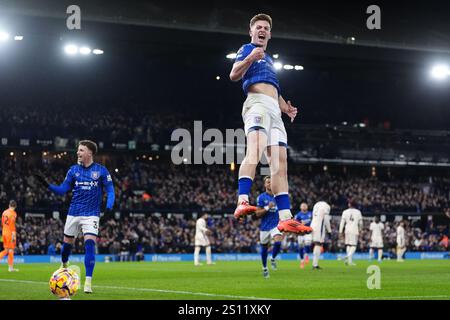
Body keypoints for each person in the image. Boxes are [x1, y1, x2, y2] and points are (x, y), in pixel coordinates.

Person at [230, 13, 311, 236]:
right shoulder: (247, 49)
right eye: (258, 27)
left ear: (270, 33)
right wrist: (250, 58)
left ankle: (285, 218)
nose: (262, 30)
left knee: (280, 164)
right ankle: (242, 200)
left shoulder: (270, 60)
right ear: (251, 31)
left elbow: (273, 89)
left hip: (274, 111)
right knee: (255, 149)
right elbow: (233, 75)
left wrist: (286, 107)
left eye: (265, 27)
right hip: (256, 104)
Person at [34, 140, 115, 294]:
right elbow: (62, 190)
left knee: (89, 244)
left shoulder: (101, 171)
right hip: (73, 213)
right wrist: (46, 184)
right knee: (66, 247)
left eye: (81, 150)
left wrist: (109, 208)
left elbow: (110, 191)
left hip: (91, 214)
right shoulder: (73, 171)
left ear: (90, 153)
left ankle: (88, 282)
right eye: (78, 150)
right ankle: (64, 265)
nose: (78, 153)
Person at [254, 176, 283, 278]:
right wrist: (267, 207)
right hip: (265, 227)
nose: (270, 184)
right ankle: (265, 268)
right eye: (268, 182)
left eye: (271, 182)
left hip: (275, 226)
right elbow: (257, 213)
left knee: (278, 242)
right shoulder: (261, 197)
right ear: (265, 185)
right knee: (264, 248)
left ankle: (273, 258)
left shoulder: (279, 197)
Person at [339, 200, 363, 266]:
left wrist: (340, 231)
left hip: (347, 230)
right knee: (354, 245)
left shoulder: (345, 212)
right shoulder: (358, 212)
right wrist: (361, 230)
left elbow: (342, 223)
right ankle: (347, 257)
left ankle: (349, 261)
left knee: (348, 245)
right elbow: (361, 223)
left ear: (349, 204)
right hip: (354, 230)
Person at [310, 201, 332, 270]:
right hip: (319, 227)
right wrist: (329, 231)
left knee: (317, 244)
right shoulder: (326, 206)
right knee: (318, 245)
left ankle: (315, 264)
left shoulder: (316, 204)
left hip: (313, 225)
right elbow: (326, 219)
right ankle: (315, 264)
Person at [0, 200, 19, 272]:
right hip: (9, 234)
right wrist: (13, 236)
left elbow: (2, 223)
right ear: (15, 206)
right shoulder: (13, 214)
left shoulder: (4, 212)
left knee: (6, 250)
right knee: (11, 250)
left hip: (4, 232)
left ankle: (11, 267)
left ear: (9, 205)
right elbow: (12, 225)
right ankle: (11, 268)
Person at [295, 202, 312, 269]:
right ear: (300, 207)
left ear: (307, 207)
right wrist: (300, 224)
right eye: (303, 206)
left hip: (308, 232)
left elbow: (313, 221)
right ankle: (302, 261)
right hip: (301, 234)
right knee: (301, 247)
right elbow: (295, 224)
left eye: (305, 205)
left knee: (308, 243)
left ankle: (306, 255)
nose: (304, 206)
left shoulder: (311, 214)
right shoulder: (298, 215)